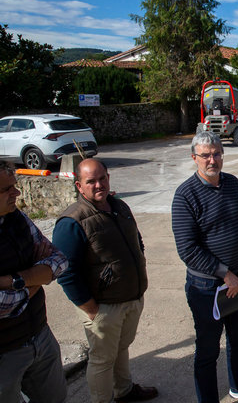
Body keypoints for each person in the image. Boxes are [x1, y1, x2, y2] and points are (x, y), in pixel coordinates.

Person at [172, 131, 238, 403]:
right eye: (205, 155)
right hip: (207, 287)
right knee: (207, 350)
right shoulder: (185, 196)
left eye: (216, 153)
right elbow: (187, 249)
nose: (212, 159)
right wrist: (225, 274)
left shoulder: (233, 184)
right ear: (194, 158)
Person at [53, 159, 158, 403]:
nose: (99, 185)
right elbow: (65, 272)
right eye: (91, 181)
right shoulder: (72, 221)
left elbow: (137, 242)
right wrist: (90, 309)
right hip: (102, 307)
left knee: (121, 349)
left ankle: (124, 390)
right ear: (79, 186)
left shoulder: (120, 206)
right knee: (102, 360)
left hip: (131, 297)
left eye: (103, 178)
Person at [0, 161, 68, 403]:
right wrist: (37, 280)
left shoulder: (15, 218)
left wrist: (16, 280)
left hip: (40, 334)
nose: (16, 193)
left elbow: (58, 260)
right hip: (5, 354)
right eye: (6, 189)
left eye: (15, 186)